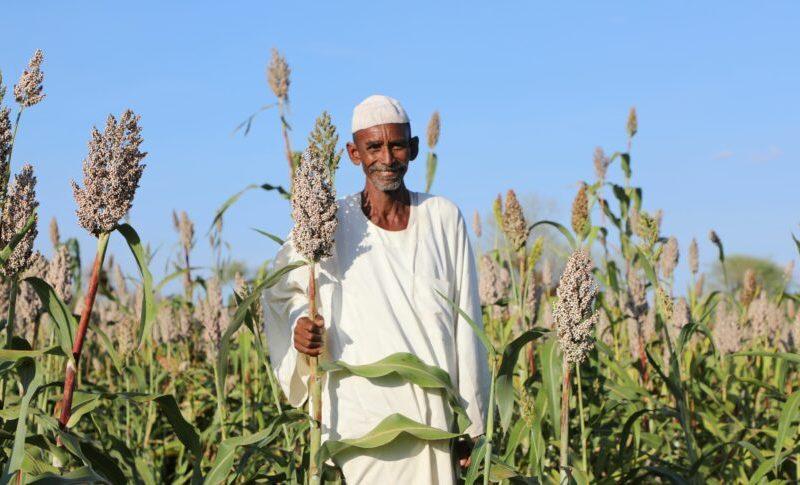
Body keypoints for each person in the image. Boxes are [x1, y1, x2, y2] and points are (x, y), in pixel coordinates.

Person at [264, 94, 489, 484]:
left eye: (397, 145)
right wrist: (303, 324)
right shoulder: (330, 220)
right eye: (374, 147)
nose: (387, 158)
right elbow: (282, 287)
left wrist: (474, 425)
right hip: (361, 425)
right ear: (353, 153)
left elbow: (466, 328)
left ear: (413, 148)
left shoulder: (442, 217)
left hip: (433, 422)